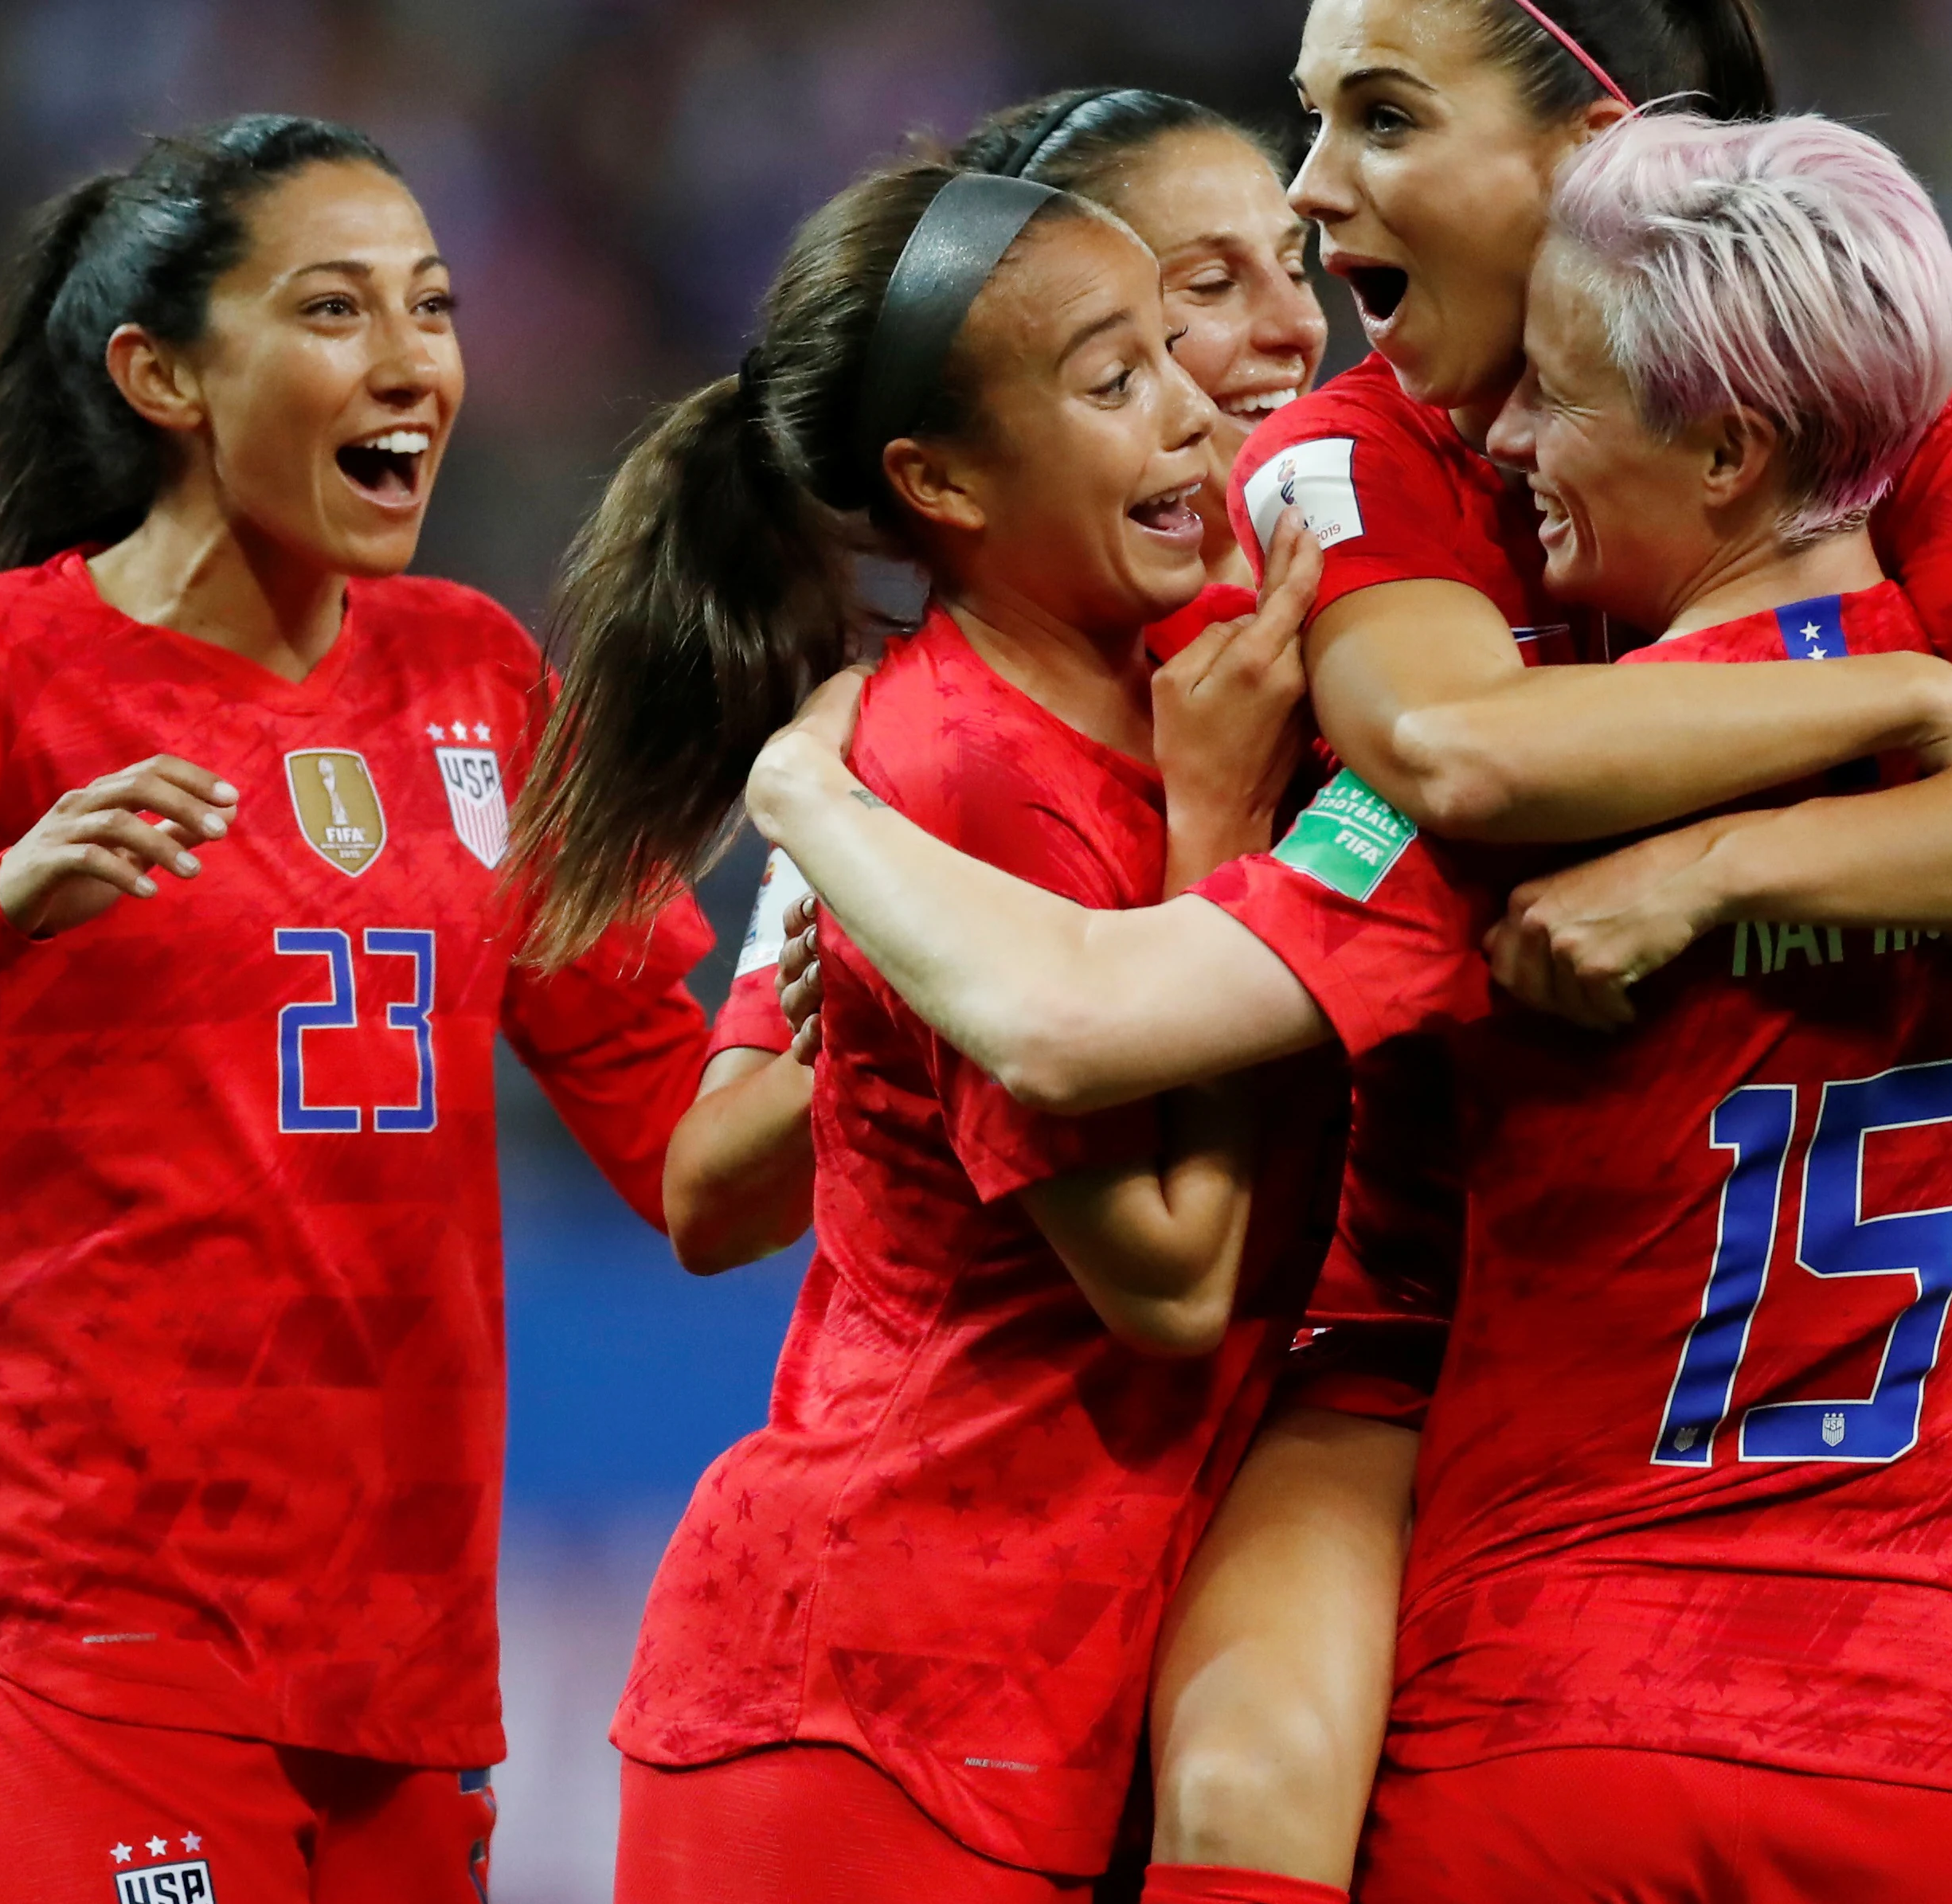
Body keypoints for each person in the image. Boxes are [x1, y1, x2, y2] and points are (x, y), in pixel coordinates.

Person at [740, 108, 1952, 1904]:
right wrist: (1860, 733)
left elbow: (1090, 1011)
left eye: (1376, 116)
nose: (1499, 435)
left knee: (1249, 1777)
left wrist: (816, 801)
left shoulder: (1503, 772)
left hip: (1555, 1661)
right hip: (1910, 1695)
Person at [1150, 4, 1952, 1901]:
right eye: (1311, 121)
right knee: (1248, 1777)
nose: (1314, 194)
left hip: (1788, 1322)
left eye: (1380, 120)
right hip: (1425, 1304)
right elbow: (1460, 750)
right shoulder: (1345, 453)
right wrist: (1895, 695)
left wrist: (1716, 867)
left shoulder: (1884, 407)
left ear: (1592, 144)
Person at [0, 115, 721, 1904]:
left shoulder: (476, 674)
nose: (412, 359)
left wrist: (901, 968)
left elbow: (682, 1158)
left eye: (433, 305)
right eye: (335, 310)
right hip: (81, 1627)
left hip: (403, 1663)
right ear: (163, 372)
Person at [502, 156, 1334, 1902]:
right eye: (1112, 385)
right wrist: (1221, 847)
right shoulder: (956, 766)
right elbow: (1169, 1278)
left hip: (1023, 1695)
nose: (1196, 415)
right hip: (870, 1710)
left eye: (1174, 354)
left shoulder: (1160, 674)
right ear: (937, 480)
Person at [660, 87, 1330, 1277]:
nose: (1295, 326)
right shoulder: (940, 730)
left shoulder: (1367, 612)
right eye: (1208, 292)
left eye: (1294, 260)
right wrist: (924, 971)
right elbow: (711, 1196)